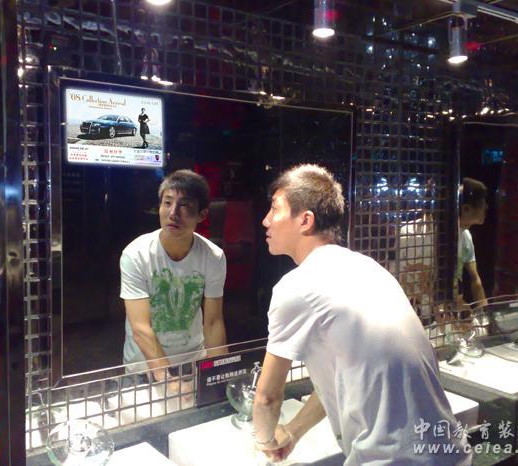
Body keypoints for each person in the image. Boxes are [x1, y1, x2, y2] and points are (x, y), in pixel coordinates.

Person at [252, 164, 471, 465]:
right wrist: (292, 431)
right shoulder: (368, 268)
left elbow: (267, 398)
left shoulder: (296, 287)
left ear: (305, 220)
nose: (266, 220)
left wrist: (265, 443)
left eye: (275, 208)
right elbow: (344, 380)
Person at [119, 169, 227, 381]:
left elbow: (213, 322)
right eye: (167, 203)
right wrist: (169, 380)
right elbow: (140, 328)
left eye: (184, 205)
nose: (173, 213)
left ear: (202, 214)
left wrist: (218, 374)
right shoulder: (136, 254)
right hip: (143, 368)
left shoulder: (213, 256)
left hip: (191, 363)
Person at [456, 178, 488, 310]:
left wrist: (486, 313)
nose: (486, 207)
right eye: (482, 203)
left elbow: (475, 280)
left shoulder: (465, 236)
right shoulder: (430, 235)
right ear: (466, 209)